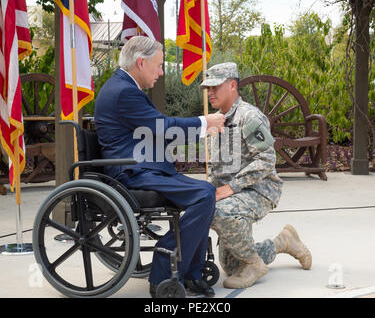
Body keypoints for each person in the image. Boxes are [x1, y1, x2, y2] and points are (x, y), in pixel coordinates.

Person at [94, 36, 225, 298]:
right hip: (131, 173)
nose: (162, 72)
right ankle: (165, 267)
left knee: (206, 192)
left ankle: (192, 272)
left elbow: (155, 130)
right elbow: (161, 126)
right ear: (141, 63)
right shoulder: (124, 92)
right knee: (204, 194)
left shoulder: (123, 87)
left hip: (141, 167)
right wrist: (204, 122)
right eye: (159, 65)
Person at [200, 62, 312, 289]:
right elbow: (216, 168)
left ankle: (254, 264)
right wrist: (208, 192)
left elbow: (267, 160)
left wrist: (229, 189)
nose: (210, 93)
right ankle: (284, 242)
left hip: (259, 189)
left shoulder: (249, 116)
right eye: (208, 89)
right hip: (234, 193)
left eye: (215, 87)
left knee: (217, 212)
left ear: (233, 85)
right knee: (230, 267)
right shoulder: (217, 120)